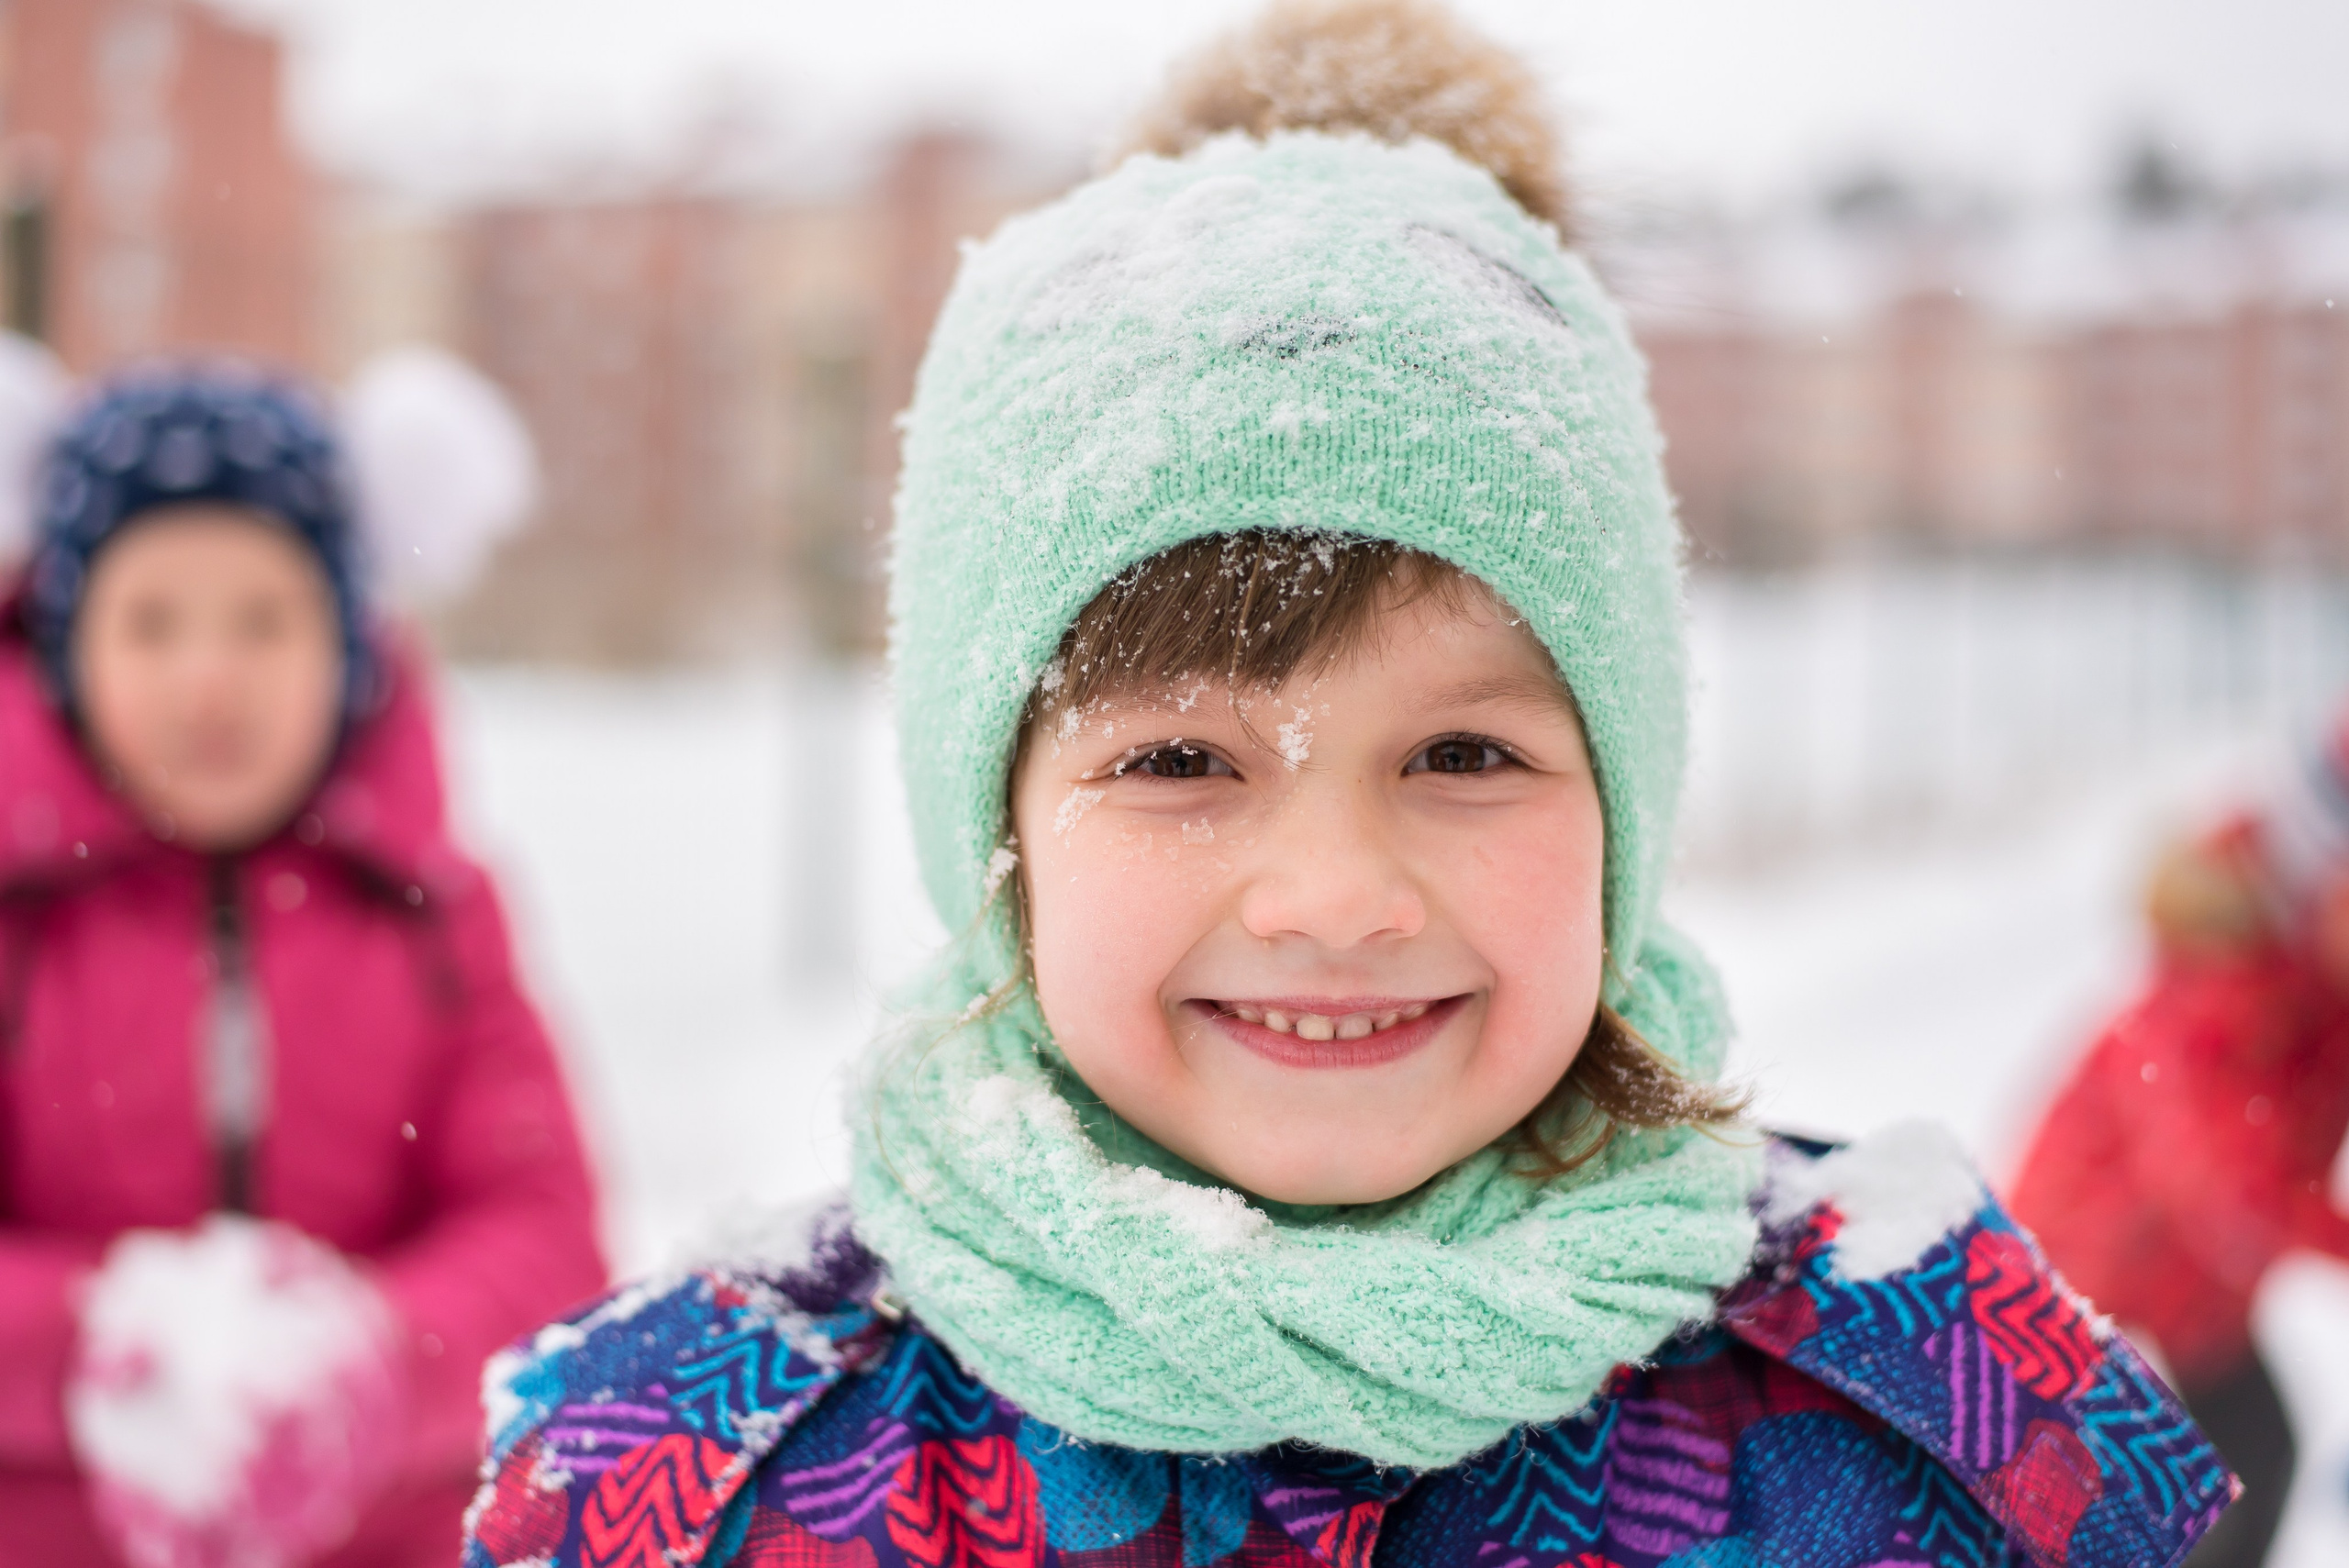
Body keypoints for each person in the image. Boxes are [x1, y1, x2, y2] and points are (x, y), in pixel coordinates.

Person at [463, 5, 2234, 1566]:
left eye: (1463, 753)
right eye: (1178, 760)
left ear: (1625, 804)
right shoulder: (686, 1474)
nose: (1332, 894)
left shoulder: (1954, 1418)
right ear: (991, 832)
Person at [0, 360, 608, 1567]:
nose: (209, 673)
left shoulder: (435, 915)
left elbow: (547, 1234)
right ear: (68, 647)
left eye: (265, 620)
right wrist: (96, 1345)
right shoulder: (18, 918)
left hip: (391, 1536)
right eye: (153, 621)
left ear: (349, 646)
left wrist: (377, 1357)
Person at [2010, 714, 2349, 1568]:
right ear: (2318, 877)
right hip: (2080, 1266)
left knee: (2258, 1449)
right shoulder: (2220, 986)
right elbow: (2228, 1185)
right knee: (2103, 1498)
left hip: (2193, 1285)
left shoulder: (2320, 975)